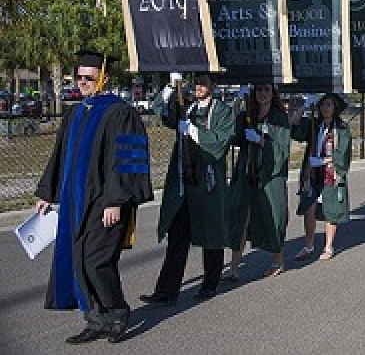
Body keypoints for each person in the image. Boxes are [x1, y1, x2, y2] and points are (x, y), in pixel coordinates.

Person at [35, 50, 153, 344]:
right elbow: (59, 156)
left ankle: (117, 311)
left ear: (104, 78)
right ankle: (95, 318)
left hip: (105, 202)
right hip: (76, 202)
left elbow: (126, 160)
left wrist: (116, 200)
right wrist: (46, 193)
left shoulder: (119, 112)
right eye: (79, 77)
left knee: (96, 261)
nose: (83, 82)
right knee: (79, 260)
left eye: (89, 77)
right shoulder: (76, 112)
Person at [141, 72, 235, 304]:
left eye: (204, 82)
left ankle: (210, 284)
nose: (199, 86)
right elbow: (162, 112)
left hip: (208, 183)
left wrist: (193, 131)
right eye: (196, 82)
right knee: (178, 236)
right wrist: (171, 87)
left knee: (211, 234)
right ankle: (167, 290)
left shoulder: (223, 111)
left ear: (213, 85)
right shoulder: (187, 107)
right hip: (184, 183)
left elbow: (220, 143)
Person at [226, 82, 291, 279]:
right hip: (247, 174)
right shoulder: (248, 116)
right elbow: (234, 138)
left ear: (273, 94)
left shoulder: (279, 118)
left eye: (266, 90)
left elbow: (282, 150)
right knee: (241, 219)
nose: (262, 93)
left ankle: (278, 260)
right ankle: (234, 268)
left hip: (269, 177)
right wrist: (237, 106)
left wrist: (262, 141)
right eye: (259, 90)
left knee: (273, 217)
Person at [291, 92, 352, 261]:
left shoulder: (341, 128)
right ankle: (309, 245)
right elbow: (293, 125)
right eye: (322, 104)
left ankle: (328, 246)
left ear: (335, 107)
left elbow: (343, 153)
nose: (325, 108)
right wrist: (304, 106)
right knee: (308, 208)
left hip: (330, 172)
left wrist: (324, 160)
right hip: (312, 173)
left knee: (330, 210)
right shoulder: (313, 124)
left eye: (329, 105)